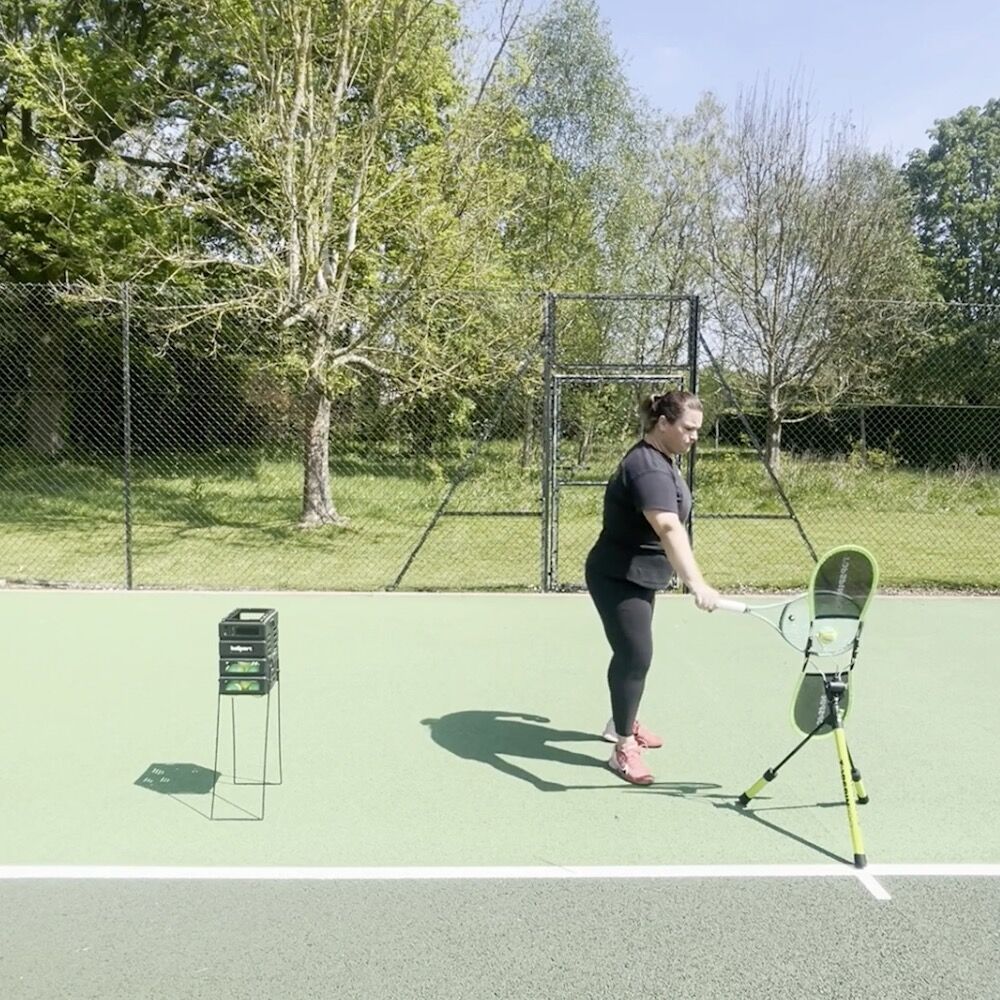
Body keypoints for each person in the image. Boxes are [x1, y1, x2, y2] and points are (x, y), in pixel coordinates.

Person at [585, 389, 720, 785]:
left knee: (632, 654)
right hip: (618, 577)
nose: (694, 436)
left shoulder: (663, 458)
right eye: (688, 429)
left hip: (640, 575)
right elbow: (667, 526)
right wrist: (697, 583)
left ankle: (620, 719)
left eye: (698, 429)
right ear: (663, 424)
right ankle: (622, 747)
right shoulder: (648, 468)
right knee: (635, 656)